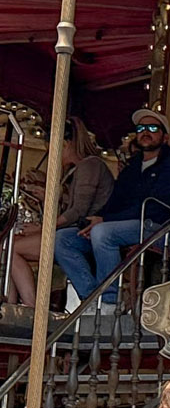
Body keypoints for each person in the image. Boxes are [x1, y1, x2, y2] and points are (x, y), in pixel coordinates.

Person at [53, 108, 170, 309]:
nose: (146, 132)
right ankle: (91, 297)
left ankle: (110, 301)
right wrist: (95, 219)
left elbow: (156, 206)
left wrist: (104, 222)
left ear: (165, 137)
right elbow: (114, 201)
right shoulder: (131, 168)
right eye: (141, 128)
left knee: (104, 232)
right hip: (124, 227)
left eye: (153, 128)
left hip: (157, 227)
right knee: (63, 239)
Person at [5, 118, 111, 306]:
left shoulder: (90, 165)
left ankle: (30, 306)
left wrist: (42, 228)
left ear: (64, 144)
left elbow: (78, 211)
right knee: (9, 248)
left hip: (82, 232)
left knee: (9, 248)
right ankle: (14, 304)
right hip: (75, 229)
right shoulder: (78, 170)